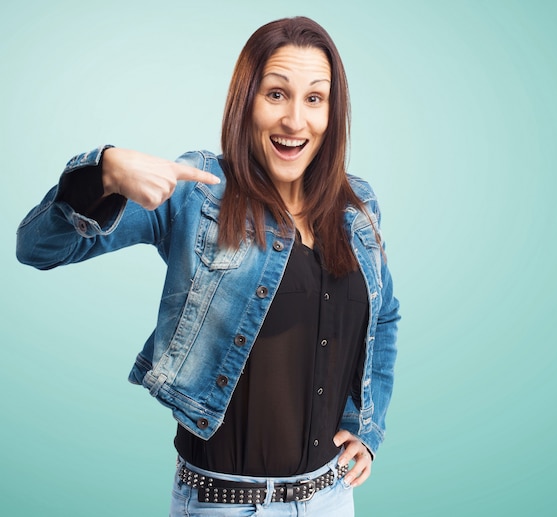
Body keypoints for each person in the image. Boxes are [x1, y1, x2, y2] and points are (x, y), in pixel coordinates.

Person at [16, 16, 400, 516]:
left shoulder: (357, 203)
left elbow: (383, 316)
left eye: (314, 99)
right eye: (276, 94)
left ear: (333, 111)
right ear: (246, 102)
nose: (295, 121)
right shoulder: (198, 192)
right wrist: (104, 172)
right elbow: (38, 248)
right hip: (225, 505)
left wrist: (366, 426)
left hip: (331, 497)